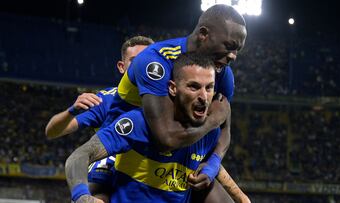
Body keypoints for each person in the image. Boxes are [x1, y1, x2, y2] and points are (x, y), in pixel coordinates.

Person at [109, 4, 247, 201]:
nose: (233, 56)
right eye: (229, 46)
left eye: (237, 50)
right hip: (123, 151)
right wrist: (213, 120)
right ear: (203, 34)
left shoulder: (222, 75)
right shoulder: (156, 61)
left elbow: (225, 129)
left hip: (180, 156)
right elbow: (166, 139)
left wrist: (214, 163)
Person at [65, 52, 232, 203]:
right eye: (194, 87)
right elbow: (80, 156)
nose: (203, 96)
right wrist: (81, 196)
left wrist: (214, 164)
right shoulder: (139, 123)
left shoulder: (209, 132)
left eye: (209, 87)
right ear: (173, 88)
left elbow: (223, 139)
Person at [45, 35, 154, 202]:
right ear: (121, 66)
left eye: (146, 61)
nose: (141, 67)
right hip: (109, 177)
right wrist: (70, 112)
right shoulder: (105, 100)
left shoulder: (169, 100)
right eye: (134, 61)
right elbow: (52, 132)